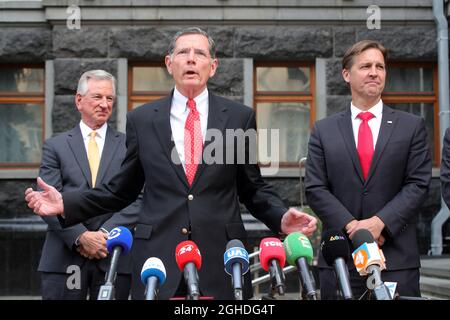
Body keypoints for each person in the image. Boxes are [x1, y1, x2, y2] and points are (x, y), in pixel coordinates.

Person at [25, 27, 317, 300]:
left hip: (221, 259)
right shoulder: (142, 119)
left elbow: (252, 188)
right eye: (183, 53)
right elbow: (120, 191)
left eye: (200, 54)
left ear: (212, 66)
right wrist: (67, 204)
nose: (191, 59)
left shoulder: (239, 118)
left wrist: (280, 217)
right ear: (169, 63)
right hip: (156, 261)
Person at [305, 40, 432, 299]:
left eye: (380, 67)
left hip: (395, 261)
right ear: (346, 75)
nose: (374, 72)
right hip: (340, 258)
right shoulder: (323, 130)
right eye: (365, 66)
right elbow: (315, 188)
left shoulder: (411, 126)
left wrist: (380, 224)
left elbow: (418, 184)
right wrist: (354, 228)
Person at [37, 70, 142, 300]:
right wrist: (81, 237)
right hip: (64, 257)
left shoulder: (129, 145)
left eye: (110, 98)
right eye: (97, 97)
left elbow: (140, 196)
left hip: (113, 254)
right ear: (78, 100)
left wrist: (105, 234)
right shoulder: (55, 147)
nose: (104, 104)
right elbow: (48, 199)